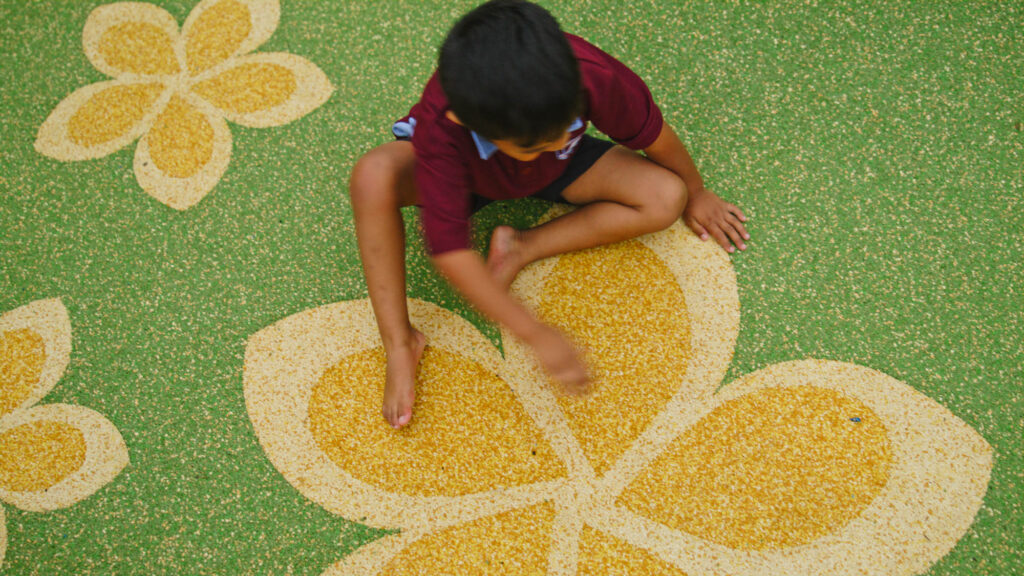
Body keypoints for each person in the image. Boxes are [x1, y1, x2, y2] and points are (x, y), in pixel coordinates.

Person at [349, 0, 749, 429]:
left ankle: (521, 245)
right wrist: (534, 332)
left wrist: (696, 191)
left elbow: (654, 136)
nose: (560, 139)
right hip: (464, 179)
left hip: (559, 170)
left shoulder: (589, 73)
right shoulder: (442, 123)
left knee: (666, 196)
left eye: (565, 127)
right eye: (541, 142)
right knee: (372, 176)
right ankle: (400, 342)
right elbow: (450, 253)